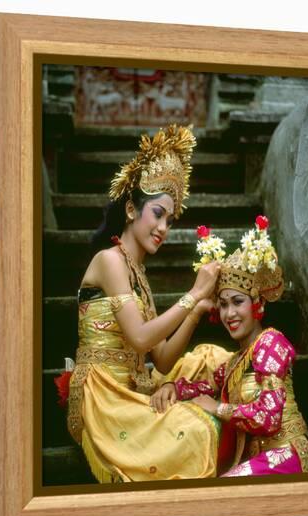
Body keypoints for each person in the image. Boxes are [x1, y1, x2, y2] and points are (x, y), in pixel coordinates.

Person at [64, 124, 231, 482]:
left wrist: (197, 310)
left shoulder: (138, 273)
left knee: (212, 359)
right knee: (197, 430)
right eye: (158, 213)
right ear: (130, 209)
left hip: (138, 383)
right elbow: (140, 338)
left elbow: (163, 358)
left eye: (170, 220)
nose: (164, 227)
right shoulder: (109, 260)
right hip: (105, 395)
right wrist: (194, 294)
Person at [151, 216, 308, 476]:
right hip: (259, 460)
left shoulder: (271, 343)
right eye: (224, 304)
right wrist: (173, 386)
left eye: (238, 302)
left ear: (258, 304)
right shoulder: (236, 362)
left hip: (287, 455)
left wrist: (218, 408)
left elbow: (269, 417)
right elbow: (205, 387)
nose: (229, 314)